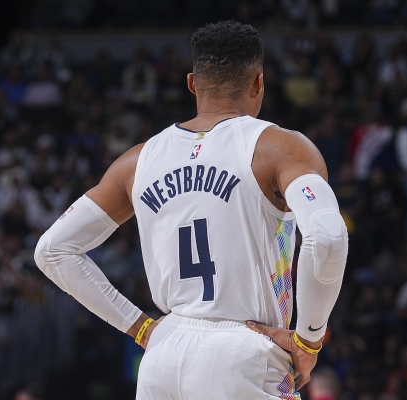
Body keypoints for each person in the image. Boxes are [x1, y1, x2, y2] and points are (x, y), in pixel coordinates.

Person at [34, 20, 348, 399]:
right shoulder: (281, 148)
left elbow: (53, 250)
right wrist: (309, 340)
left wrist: (139, 326)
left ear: (192, 84)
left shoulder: (137, 161)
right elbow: (328, 238)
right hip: (246, 352)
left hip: (163, 354)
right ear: (258, 83)